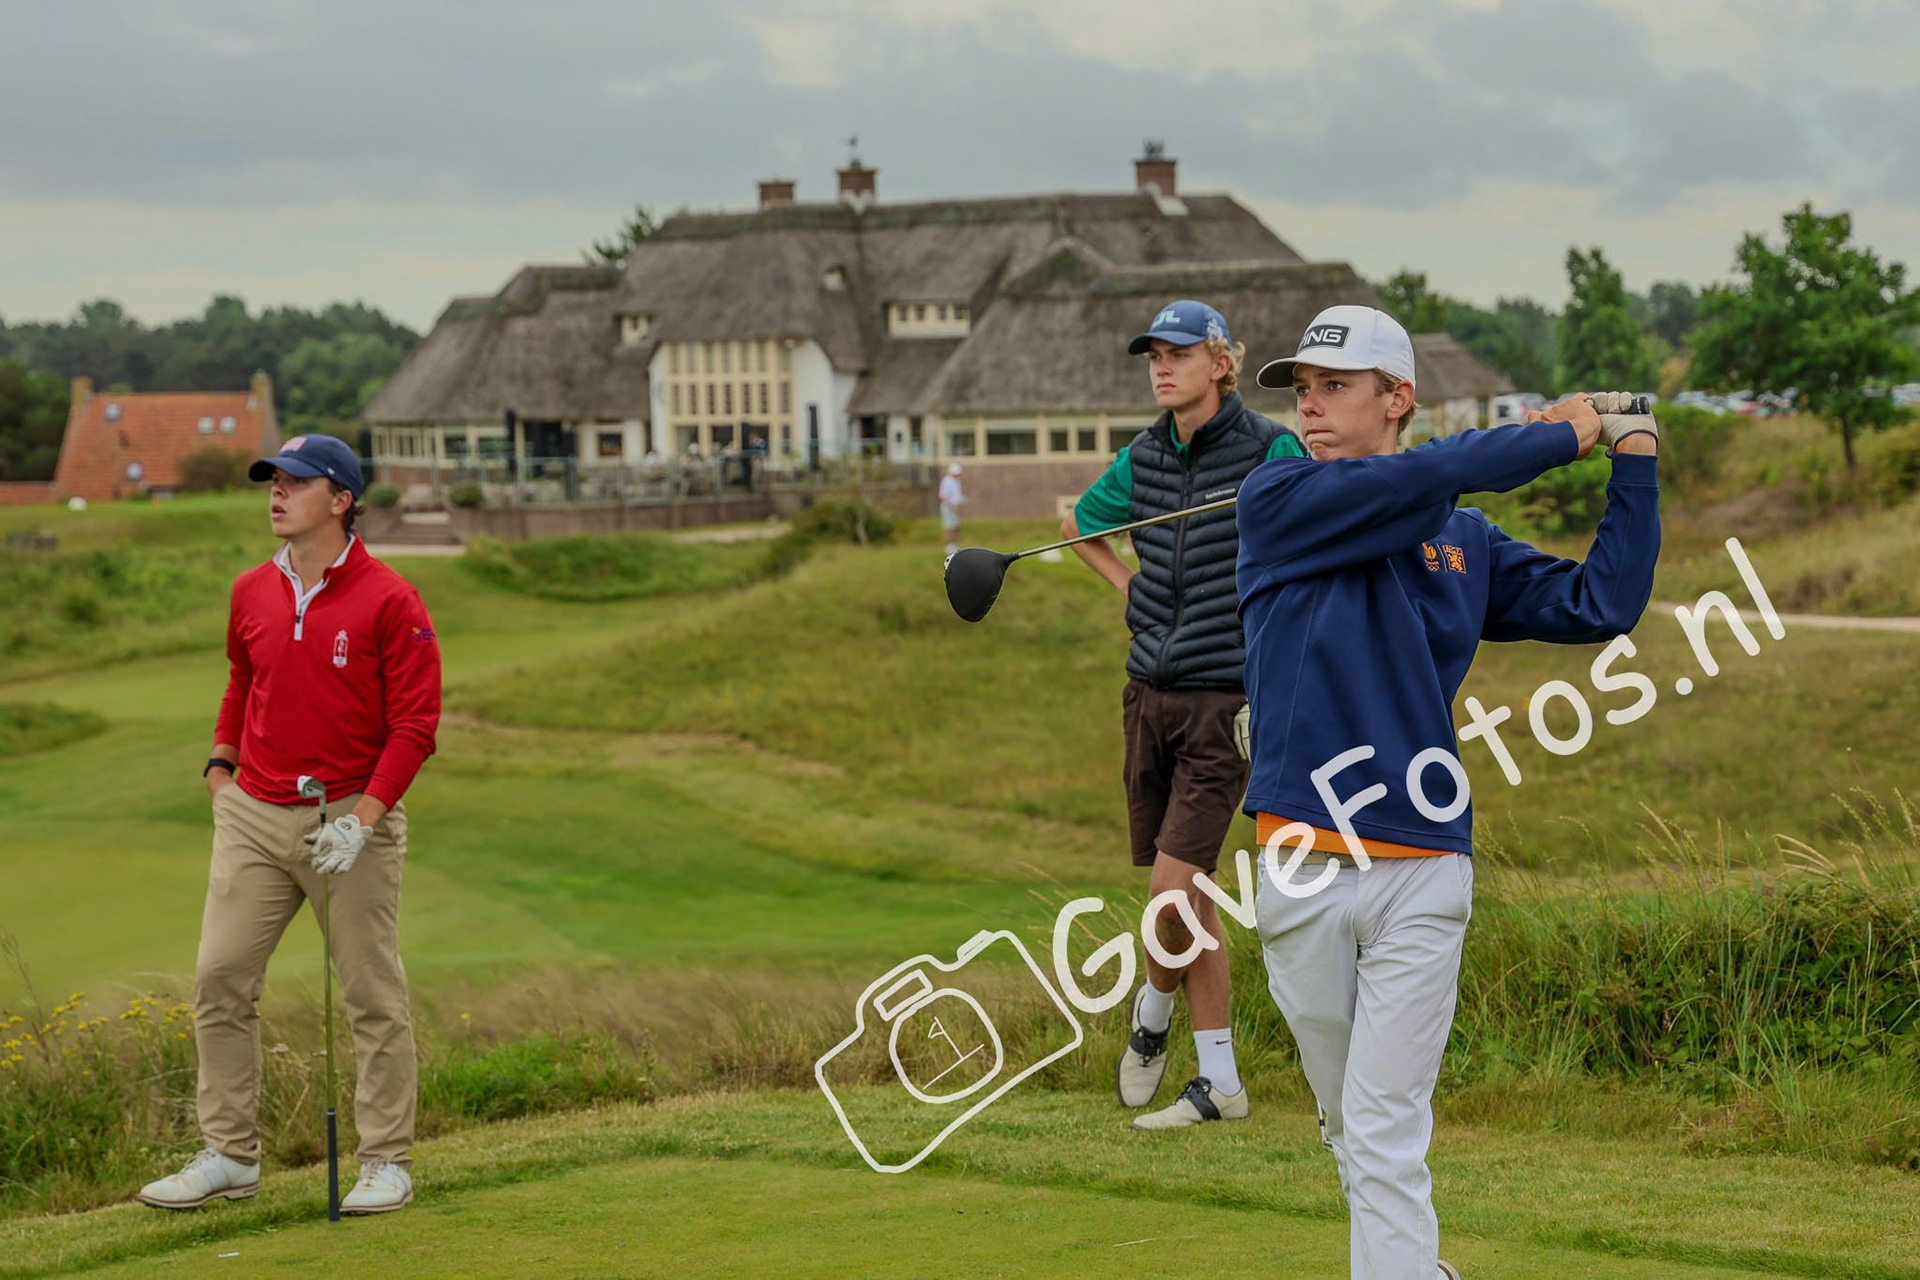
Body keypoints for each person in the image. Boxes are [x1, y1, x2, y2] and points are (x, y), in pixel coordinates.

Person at [1235, 305, 1661, 1278]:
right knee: (1354, 1125)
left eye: (1334, 387)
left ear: (1399, 398)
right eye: (1302, 391)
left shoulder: (1462, 542)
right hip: (1302, 865)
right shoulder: (1277, 502)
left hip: (1426, 872)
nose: (1310, 408)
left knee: (1382, 1130)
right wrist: (1565, 430)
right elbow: (1432, 472)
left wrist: (1631, 457)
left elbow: (1604, 602)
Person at [137, 434, 442, 1217]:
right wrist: (219, 769)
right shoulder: (250, 590)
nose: (277, 493)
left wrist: (363, 822)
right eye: (272, 480)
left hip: (348, 819)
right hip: (254, 813)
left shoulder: (390, 599)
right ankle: (231, 1155)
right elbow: (244, 681)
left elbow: (416, 725)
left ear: (340, 500)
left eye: (296, 482)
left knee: (371, 994)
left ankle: (386, 1162)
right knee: (219, 979)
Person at [1062, 300, 1305, 1131]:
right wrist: (1129, 588)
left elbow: (1313, 526)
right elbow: (1080, 525)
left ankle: (1148, 1024)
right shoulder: (1141, 456)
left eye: (1176, 354)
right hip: (1149, 698)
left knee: (1171, 895)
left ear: (1220, 363)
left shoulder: (1271, 447)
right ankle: (1222, 1083)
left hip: (1224, 703)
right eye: (1151, 356)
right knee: (1192, 899)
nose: (1160, 368)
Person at [939, 463, 966, 556]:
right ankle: (948, 546)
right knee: (949, 527)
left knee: (955, 526)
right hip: (948, 507)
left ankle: (953, 545)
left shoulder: (956, 481)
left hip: (955, 506)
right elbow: (943, 496)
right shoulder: (947, 481)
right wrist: (952, 506)